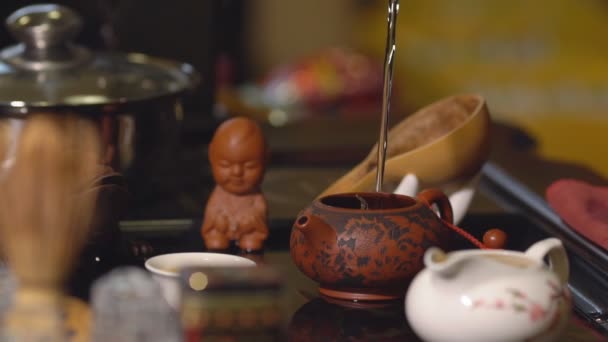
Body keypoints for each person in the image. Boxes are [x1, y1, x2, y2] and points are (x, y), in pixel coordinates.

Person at [201, 117, 269, 251]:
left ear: (265, 159)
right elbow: (211, 213)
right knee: (216, 240)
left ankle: (250, 238)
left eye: (250, 166)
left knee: (252, 241)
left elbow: (259, 212)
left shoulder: (255, 197)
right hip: (223, 228)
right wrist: (218, 220)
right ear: (211, 156)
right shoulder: (218, 195)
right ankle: (218, 237)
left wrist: (251, 220)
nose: (237, 172)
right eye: (225, 165)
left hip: (247, 230)